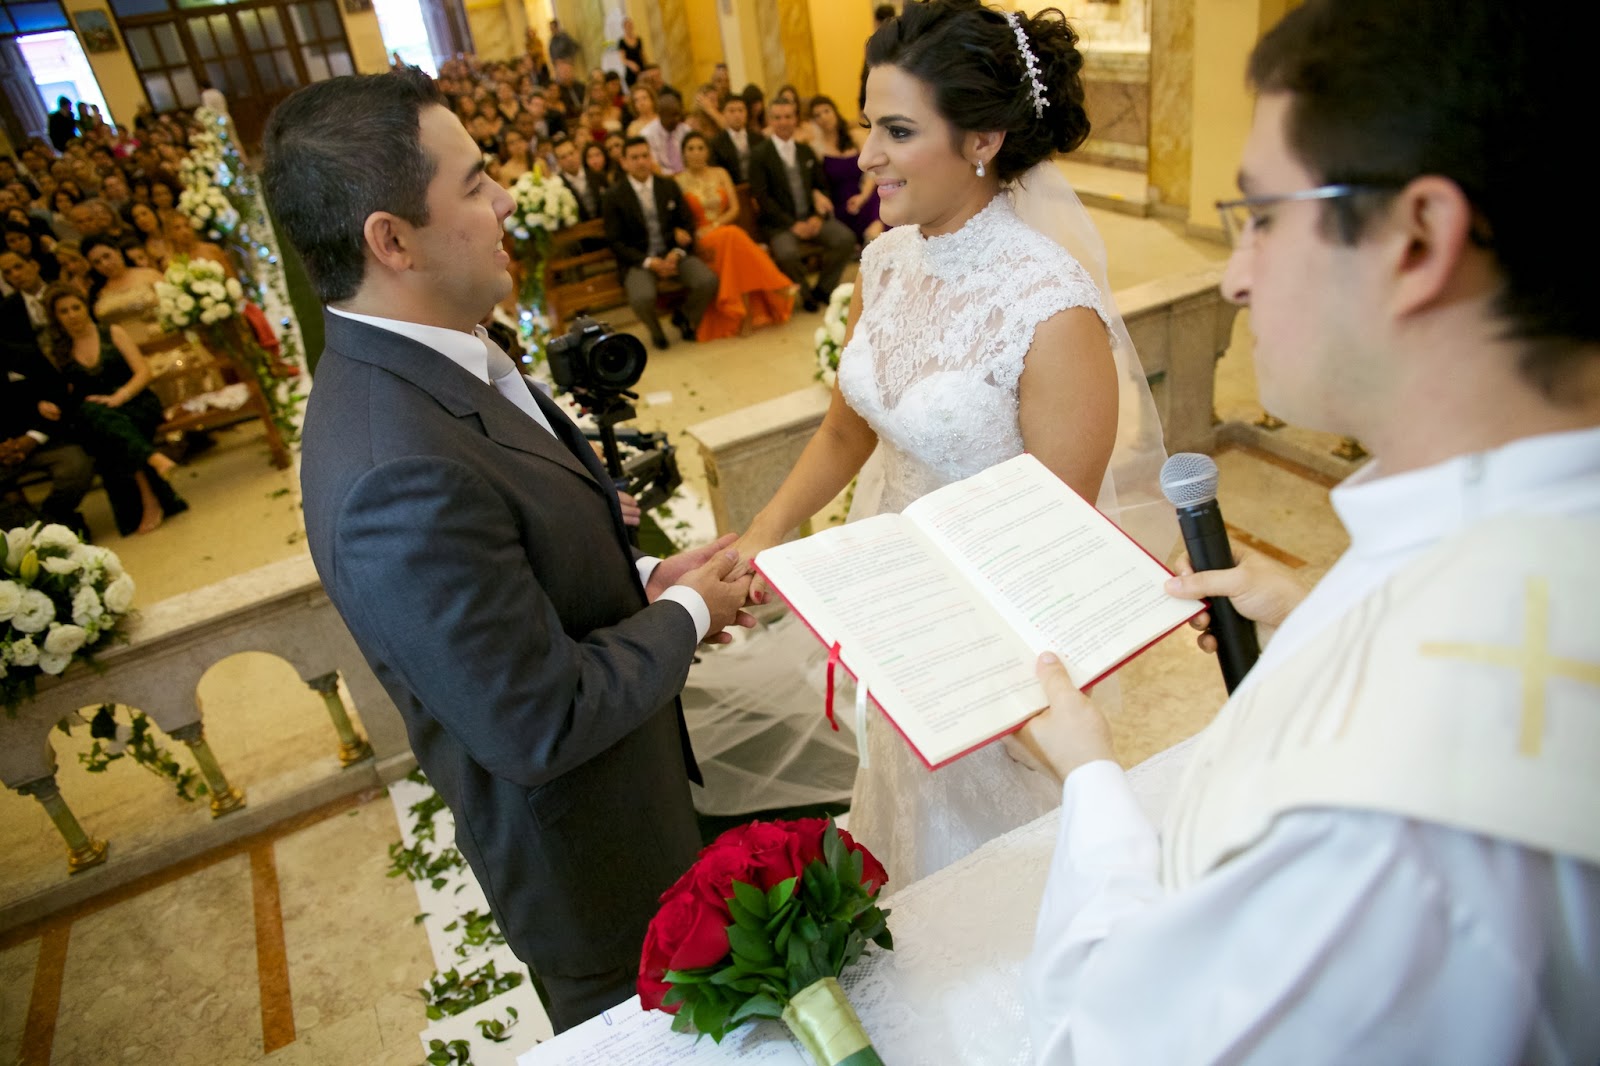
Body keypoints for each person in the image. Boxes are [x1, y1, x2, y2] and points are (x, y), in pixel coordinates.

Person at [1014, 1, 1600, 1062]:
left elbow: (1120, 1042)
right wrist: (1324, 615)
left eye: (1265, 215)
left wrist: (1092, 780)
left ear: (1417, 239)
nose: (1236, 273)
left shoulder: (1392, 832)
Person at [261, 68, 754, 1032]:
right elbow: (537, 718)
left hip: (643, 811)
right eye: (477, 182)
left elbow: (522, 575)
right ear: (390, 239)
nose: (508, 201)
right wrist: (692, 614)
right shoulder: (391, 471)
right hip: (600, 887)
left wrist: (650, 576)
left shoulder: (443, 344)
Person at [732, 0, 1165, 886]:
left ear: (983, 141)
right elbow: (848, 425)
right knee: (894, 827)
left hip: (986, 637)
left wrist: (934, 635)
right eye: (866, 125)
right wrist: (766, 532)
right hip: (884, 603)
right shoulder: (886, 260)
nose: (867, 155)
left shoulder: (1051, 306)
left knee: (978, 867)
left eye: (896, 129)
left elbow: (1053, 536)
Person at [42, 283, 185, 534]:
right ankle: (152, 461)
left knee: (109, 430)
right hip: (98, 415)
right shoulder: (59, 351)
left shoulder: (112, 333)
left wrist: (120, 396)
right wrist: (47, 402)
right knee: (94, 415)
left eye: (76, 307)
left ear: (86, 307)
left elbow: (144, 372)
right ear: (56, 317)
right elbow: (61, 393)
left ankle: (150, 500)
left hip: (134, 401)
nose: (72, 314)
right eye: (64, 311)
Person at [674, 131, 794, 341]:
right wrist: (697, 231)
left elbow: (735, 208)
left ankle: (746, 316)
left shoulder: (720, 173)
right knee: (734, 237)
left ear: (707, 151)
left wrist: (717, 224)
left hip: (723, 230)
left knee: (733, 244)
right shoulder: (678, 181)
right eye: (690, 149)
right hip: (701, 238)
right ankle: (778, 285)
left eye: (700, 148)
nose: (696, 153)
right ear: (683, 153)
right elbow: (677, 218)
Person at [601, 136, 718, 350]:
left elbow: (687, 223)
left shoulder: (668, 186)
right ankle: (656, 331)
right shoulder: (614, 196)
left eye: (645, 156)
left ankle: (684, 316)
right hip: (639, 260)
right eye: (634, 158)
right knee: (641, 297)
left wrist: (676, 252)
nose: (641, 162)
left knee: (707, 280)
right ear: (624, 162)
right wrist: (649, 262)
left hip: (672, 253)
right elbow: (616, 242)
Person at [746, 97, 857, 312]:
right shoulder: (759, 155)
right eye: (778, 118)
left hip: (811, 217)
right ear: (770, 120)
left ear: (795, 118)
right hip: (780, 224)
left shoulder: (805, 151)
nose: (784, 122)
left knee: (845, 239)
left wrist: (817, 217)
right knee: (787, 254)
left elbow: (822, 187)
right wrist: (792, 225)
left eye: (788, 117)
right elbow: (762, 198)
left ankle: (824, 289)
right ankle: (806, 294)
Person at [809, 94, 883, 242]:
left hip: (865, 194)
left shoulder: (856, 136)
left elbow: (872, 171)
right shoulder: (815, 148)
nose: (823, 117)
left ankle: (875, 237)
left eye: (826, 111)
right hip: (841, 205)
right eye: (817, 115)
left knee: (879, 204)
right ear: (814, 121)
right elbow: (813, 182)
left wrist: (862, 197)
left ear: (835, 112)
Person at [709, 95, 761, 182]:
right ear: (723, 114)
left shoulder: (758, 138)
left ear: (746, 113)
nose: (737, 115)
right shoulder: (716, 143)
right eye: (731, 111)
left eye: (741, 110)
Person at [640, 88, 690, 176]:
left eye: (678, 114)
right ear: (661, 115)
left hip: (688, 176)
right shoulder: (647, 135)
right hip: (662, 179)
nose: (678, 119)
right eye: (673, 115)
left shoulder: (686, 130)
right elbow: (652, 166)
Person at [552, 137, 602, 220]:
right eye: (563, 157)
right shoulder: (557, 185)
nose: (569, 159)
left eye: (571, 153)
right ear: (558, 162)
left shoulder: (597, 175)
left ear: (578, 152)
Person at [618, 16, 645, 87]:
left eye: (631, 25)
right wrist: (632, 65)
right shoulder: (621, 41)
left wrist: (646, 66)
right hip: (630, 71)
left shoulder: (638, 39)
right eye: (627, 26)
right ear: (624, 27)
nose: (629, 27)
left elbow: (642, 54)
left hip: (641, 68)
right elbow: (623, 59)